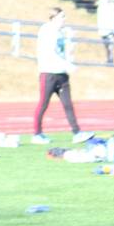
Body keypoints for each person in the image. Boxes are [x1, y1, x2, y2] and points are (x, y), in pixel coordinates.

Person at [32, 7, 91, 144]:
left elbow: (61, 53)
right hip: (49, 73)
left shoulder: (60, 33)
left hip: (62, 74)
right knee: (43, 103)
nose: (64, 19)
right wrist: (68, 66)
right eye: (61, 16)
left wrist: (66, 66)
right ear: (53, 18)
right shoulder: (47, 31)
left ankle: (77, 132)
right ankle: (37, 134)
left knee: (68, 104)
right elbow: (51, 54)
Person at [96, 0, 114, 65]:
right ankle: (108, 58)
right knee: (106, 45)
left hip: (110, 30)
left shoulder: (112, 7)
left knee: (110, 46)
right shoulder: (100, 8)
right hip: (103, 30)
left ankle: (111, 59)